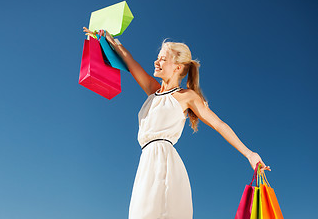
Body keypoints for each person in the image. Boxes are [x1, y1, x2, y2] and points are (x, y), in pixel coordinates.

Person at [82, 27, 271, 219]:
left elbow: (218, 124)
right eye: (158, 57)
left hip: (164, 163)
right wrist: (105, 38)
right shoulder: (152, 90)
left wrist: (250, 154)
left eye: (163, 58)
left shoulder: (186, 97)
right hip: (146, 164)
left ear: (177, 67)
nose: (156, 61)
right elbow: (129, 61)